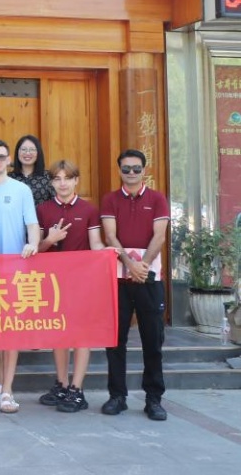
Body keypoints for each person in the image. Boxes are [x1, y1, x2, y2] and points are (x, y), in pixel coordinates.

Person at [100, 149, 168, 421]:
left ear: (144, 170)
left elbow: (159, 236)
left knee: (153, 340)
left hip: (149, 278)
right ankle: (117, 396)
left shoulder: (157, 198)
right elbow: (110, 236)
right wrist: (129, 264)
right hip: (118, 276)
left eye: (136, 168)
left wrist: (143, 266)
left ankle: (154, 399)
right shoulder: (110, 199)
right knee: (115, 340)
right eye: (126, 168)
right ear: (119, 170)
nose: (131, 173)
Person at [35, 160, 103, 414]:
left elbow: (95, 244)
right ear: (51, 183)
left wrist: (108, 252)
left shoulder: (88, 209)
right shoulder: (43, 209)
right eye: (57, 178)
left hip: (82, 282)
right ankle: (62, 384)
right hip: (53, 282)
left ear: (76, 180)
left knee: (81, 335)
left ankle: (77, 389)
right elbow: (37, 248)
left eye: (67, 178)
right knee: (59, 333)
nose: (62, 183)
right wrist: (50, 239)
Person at [0, 139, 40, 414]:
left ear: (8, 160)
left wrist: (33, 243)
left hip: (14, 268)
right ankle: (0, 381)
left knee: (11, 328)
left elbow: (32, 224)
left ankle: (8, 389)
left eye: (1, 157)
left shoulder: (21, 189)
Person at [11, 134, 55, 206]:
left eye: (32, 149)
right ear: (17, 152)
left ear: (38, 153)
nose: (27, 153)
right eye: (23, 149)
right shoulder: (9, 178)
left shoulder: (49, 177)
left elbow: (57, 204)